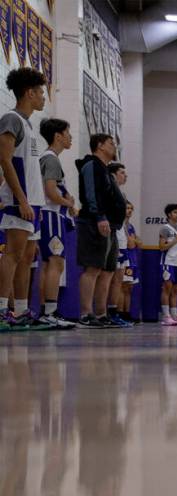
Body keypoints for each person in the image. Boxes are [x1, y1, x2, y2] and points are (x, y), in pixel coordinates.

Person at [0, 67, 49, 330]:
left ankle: (20, 311)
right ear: (29, 93)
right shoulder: (11, 119)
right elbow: (5, 161)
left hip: (34, 201)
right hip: (22, 201)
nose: (43, 97)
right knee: (12, 254)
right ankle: (0, 310)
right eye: (41, 92)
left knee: (27, 258)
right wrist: (21, 200)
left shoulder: (28, 125)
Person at [76, 133, 127, 328]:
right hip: (95, 223)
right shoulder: (91, 165)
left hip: (111, 227)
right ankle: (85, 314)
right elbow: (91, 193)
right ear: (99, 145)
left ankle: (101, 313)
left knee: (107, 272)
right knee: (92, 269)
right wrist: (99, 216)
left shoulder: (105, 169)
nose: (114, 146)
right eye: (111, 143)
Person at [37, 118, 77, 329]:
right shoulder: (51, 159)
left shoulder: (48, 158)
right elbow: (50, 192)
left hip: (49, 215)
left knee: (47, 264)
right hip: (51, 215)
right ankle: (49, 312)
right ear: (58, 136)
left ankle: (46, 311)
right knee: (56, 262)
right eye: (68, 132)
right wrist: (68, 202)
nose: (71, 137)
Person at [105, 162, 131, 326]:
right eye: (122, 172)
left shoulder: (122, 193)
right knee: (108, 278)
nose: (125, 175)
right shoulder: (109, 192)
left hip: (122, 242)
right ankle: (104, 312)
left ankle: (114, 311)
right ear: (113, 175)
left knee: (119, 280)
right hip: (112, 239)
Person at [159, 203, 177, 327]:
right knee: (167, 288)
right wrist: (176, 240)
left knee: (176, 290)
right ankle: (166, 316)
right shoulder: (165, 228)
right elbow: (161, 247)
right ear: (169, 214)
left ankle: (175, 316)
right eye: (175, 212)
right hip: (168, 262)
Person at [119, 201, 141, 323]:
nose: (129, 210)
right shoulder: (121, 225)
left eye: (131, 208)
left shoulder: (130, 226)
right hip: (125, 257)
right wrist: (134, 240)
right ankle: (120, 313)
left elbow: (139, 243)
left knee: (129, 288)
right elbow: (131, 243)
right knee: (122, 287)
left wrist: (135, 240)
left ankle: (127, 313)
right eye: (127, 208)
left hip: (133, 258)